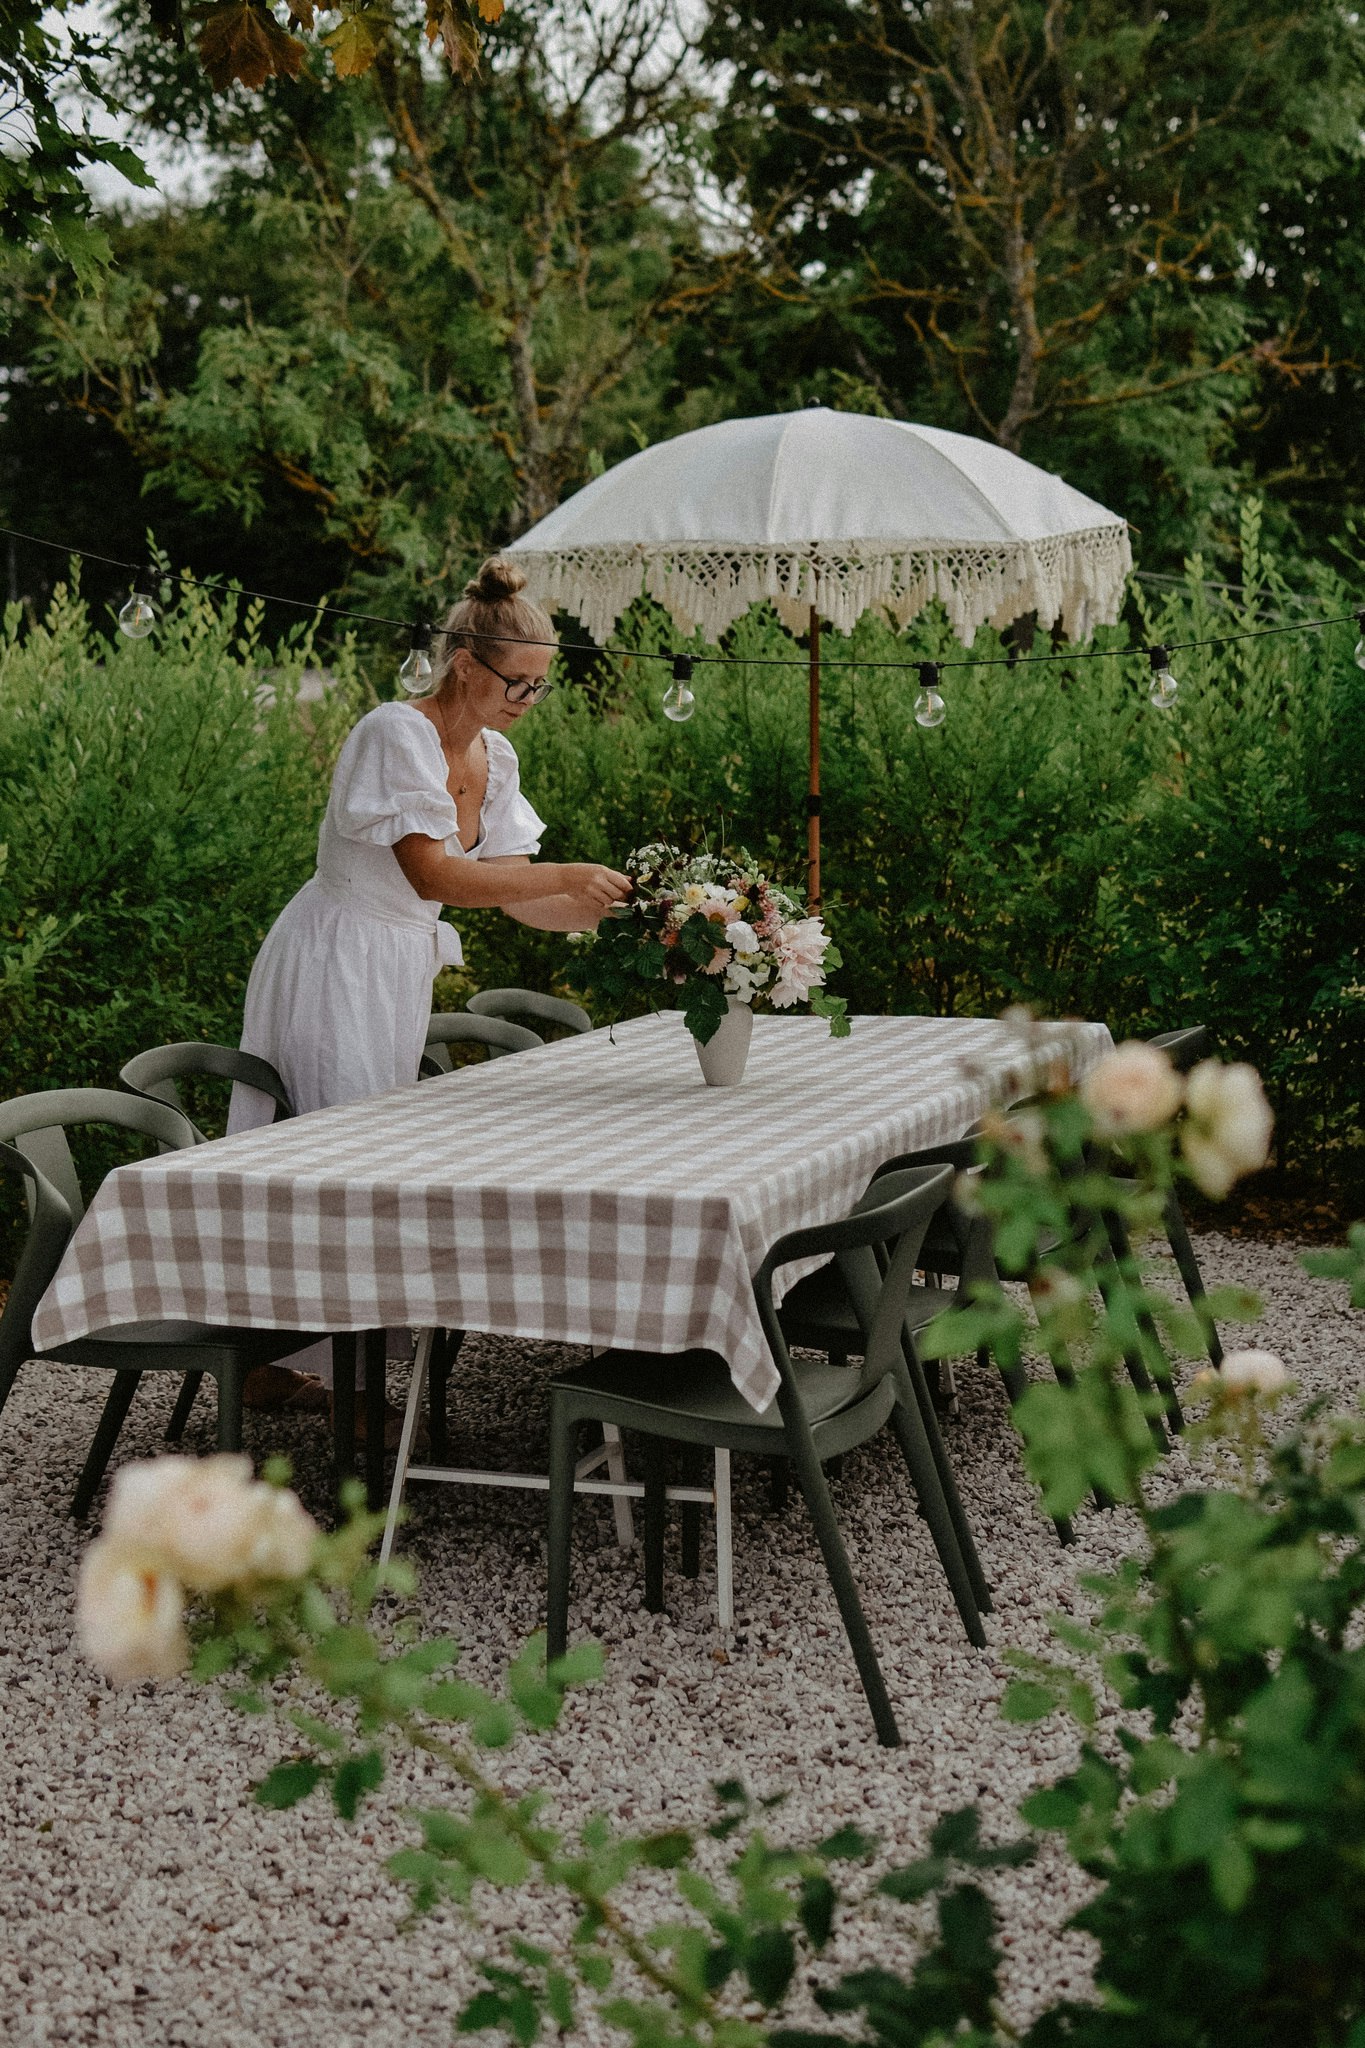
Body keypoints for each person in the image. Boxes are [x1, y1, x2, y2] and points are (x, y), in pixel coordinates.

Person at [227, 556, 631, 1413]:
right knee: (337, 1154)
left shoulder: (498, 755)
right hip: (335, 957)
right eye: (516, 684)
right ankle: (289, 1363)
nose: (526, 701)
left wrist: (631, 925)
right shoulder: (394, 733)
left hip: (397, 968)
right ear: (465, 664)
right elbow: (435, 877)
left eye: (539, 688)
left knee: (375, 1152)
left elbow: (519, 895)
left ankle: (330, 1368)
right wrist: (564, 871)